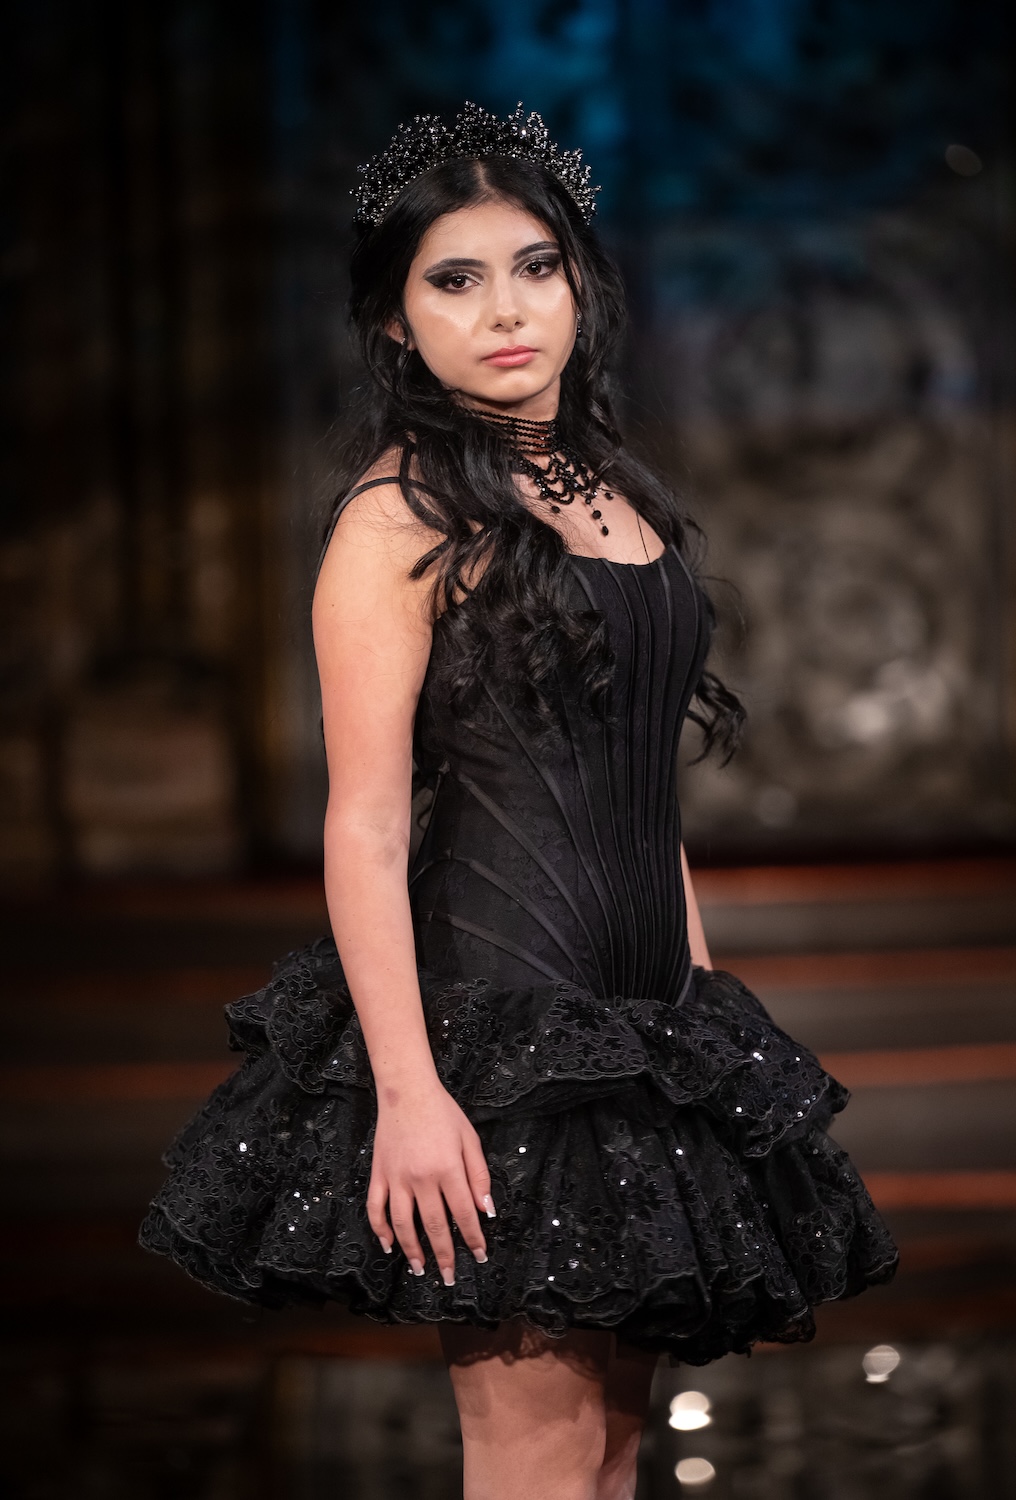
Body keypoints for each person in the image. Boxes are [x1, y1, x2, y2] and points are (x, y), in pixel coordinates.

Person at [140, 104, 897, 1500]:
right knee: (539, 1457)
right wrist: (411, 1092)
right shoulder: (399, 518)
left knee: (610, 1456)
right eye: (456, 278)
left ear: (580, 285)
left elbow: (635, 780)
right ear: (394, 319)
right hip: (499, 1026)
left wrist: (704, 1016)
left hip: (648, 1020)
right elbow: (367, 823)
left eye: (535, 267)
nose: (505, 311)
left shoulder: (608, 490)